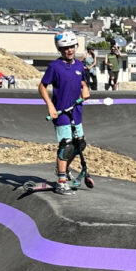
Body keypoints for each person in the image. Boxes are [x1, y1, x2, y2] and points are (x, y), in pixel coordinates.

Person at [39, 30, 92, 190]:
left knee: (79, 144)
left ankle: (62, 169)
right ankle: (61, 181)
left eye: (71, 47)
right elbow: (42, 86)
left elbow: (82, 82)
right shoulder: (54, 67)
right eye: (65, 48)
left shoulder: (79, 65)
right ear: (60, 49)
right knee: (66, 145)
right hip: (61, 112)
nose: (69, 50)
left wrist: (85, 89)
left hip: (76, 111)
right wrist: (50, 105)